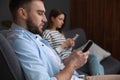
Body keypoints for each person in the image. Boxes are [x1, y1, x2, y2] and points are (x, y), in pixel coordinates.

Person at [7, 0, 89, 80]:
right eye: (40, 13)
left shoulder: (34, 36)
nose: (45, 19)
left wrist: (71, 59)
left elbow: (55, 64)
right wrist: (73, 64)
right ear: (23, 13)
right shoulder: (21, 41)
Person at [42, 8, 104, 76]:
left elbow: (65, 51)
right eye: (60, 19)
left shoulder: (60, 33)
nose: (62, 22)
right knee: (93, 58)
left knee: (98, 65)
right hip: (64, 61)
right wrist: (65, 44)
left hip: (71, 57)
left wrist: (70, 46)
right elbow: (50, 55)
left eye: (63, 20)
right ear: (52, 18)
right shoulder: (47, 33)